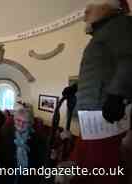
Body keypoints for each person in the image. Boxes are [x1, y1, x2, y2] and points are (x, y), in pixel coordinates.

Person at [64, 1, 132, 184]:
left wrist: (117, 95)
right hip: (93, 117)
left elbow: (128, 59)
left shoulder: (120, 25)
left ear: (107, 7)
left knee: (102, 171)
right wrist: (77, 86)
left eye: (89, 10)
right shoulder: (103, 34)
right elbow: (100, 72)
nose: (85, 16)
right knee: (86, 169)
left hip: (104, 115)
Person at [0, 106, 46, 184]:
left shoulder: (37, 138)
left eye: (25, 122)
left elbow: (40, 160)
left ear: (30, 123)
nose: (21, 124)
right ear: (14, 120)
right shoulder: (5, 133)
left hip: (29, 178)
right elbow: (0, 155)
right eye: (18, 120)